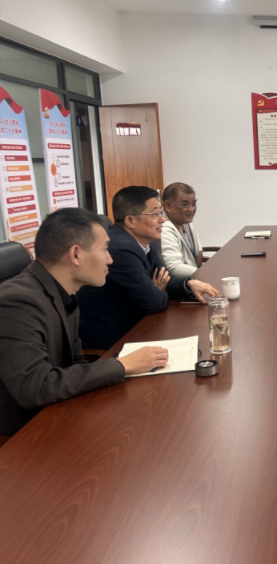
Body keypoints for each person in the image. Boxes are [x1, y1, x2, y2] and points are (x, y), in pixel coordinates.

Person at [0, 208, 170, 437]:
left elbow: (76, 364)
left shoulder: (64, 292)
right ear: (76, 254)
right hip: (26, 436)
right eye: (105, 249)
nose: (110, 259)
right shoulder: (18, 302)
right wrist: (122, 365)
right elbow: (36, 388)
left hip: (62, 411)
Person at [77, 186, 218, 350]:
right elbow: (152, 302)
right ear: (130, 221)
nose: (162, 220)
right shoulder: (121, 249)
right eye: (155, 214)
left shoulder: (141, 243)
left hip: (138, 327)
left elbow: (166, 278)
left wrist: (188, 284)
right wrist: (157, 290)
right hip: (113, 343)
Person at [161, 182, 202, 276]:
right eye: (185, 204)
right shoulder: (162, 228)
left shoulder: (187, 224)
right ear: (167, 205)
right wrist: (203, 274)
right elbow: (174, 267)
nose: (191, 209)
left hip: (193, 276)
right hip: (179, 282)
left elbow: (198, 252)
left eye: (193, 204)